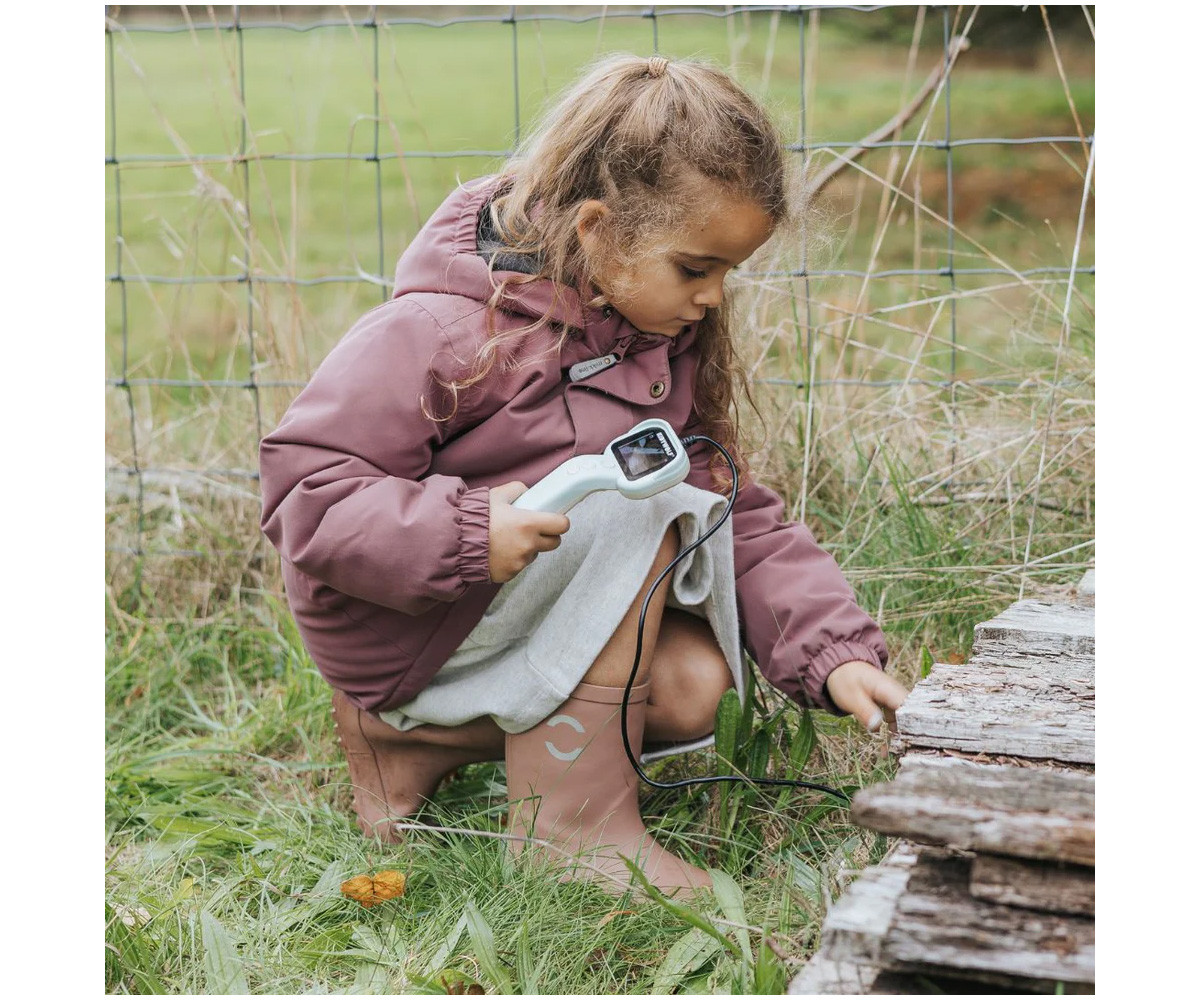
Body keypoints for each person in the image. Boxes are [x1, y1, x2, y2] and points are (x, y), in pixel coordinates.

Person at [259, 54, 907, 897]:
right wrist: (466, 532)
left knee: (693, 689)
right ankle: (572, 833)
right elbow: (307, 491)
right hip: (409, 621)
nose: (713, 297)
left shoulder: (649, 339)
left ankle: (406, 744)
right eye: (695, 268)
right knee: (640, 508)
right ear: (598, 229)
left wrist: (832, 650)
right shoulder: (440, 331)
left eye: (728, 273)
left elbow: (728, 506)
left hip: (495, 610)